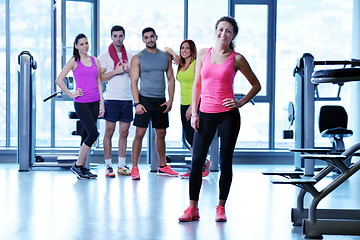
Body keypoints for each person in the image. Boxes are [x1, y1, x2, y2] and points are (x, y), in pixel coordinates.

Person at [179, 16, 261, 222]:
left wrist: (240, 102)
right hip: (205, 114)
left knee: (225, 161)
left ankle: (221, 207)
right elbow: (197, 84)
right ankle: (192, 208)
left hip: (227, 116)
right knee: (197, 160)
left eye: (228, 31)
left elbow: (256, 85)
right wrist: (195, 113)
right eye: (220, 29)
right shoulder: (203, 54)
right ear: (215, 30)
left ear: (233, 35)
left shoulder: (237, 58)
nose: (223, 34)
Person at [129, 27, 179, 180]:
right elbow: (133, 82)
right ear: (143, 40)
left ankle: (162, 166)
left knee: (161, 134)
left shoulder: (165, 57)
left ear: (156, 37)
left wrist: (170, 99)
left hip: (160, 100)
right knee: (139, 134)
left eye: (152, 36)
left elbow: (171, 78)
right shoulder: (138, 57)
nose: (150, 39)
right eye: (146, 37)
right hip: (144, 100)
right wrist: (137, 103)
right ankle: (135, 168)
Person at [56, 33, 105, 179]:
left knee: (85, 135)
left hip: (94, 102)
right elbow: (59, 80)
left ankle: (83, 168)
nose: (85, 46)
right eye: (82, 44)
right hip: (81, 103)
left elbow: (98, 82)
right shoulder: (74, 61)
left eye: (86, 43)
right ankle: (77, 166)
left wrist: (102, 103)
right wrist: (71, 94)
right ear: (76, 46)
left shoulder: (95, 60)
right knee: (93, 133)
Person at [165, 41, 211, 179]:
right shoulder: (181, 63)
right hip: (183, 104)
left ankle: (197, 168)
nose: (184, 50)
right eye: (182, 48)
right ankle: (202, 163)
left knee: (193, 137)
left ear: (193, 50)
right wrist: (174, 54)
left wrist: (193, 106)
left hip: (195, 104)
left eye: (188, 48)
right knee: (189, 138)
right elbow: (166, 48)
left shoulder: (196, 64)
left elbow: (201, 85)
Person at [98, 25, 133, 178]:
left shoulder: (130, 56)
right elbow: (99, 78)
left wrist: (128, 70)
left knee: (124, 133)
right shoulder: (104, 56)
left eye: (120, 36)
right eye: (115, 36)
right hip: (112, 98)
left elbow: (135, 77)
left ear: (124, 36)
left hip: (126, 99)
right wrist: (115, 71)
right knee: (109, 132)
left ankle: (121, 165)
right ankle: (108, 166)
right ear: (111, 37)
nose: (118, 39)